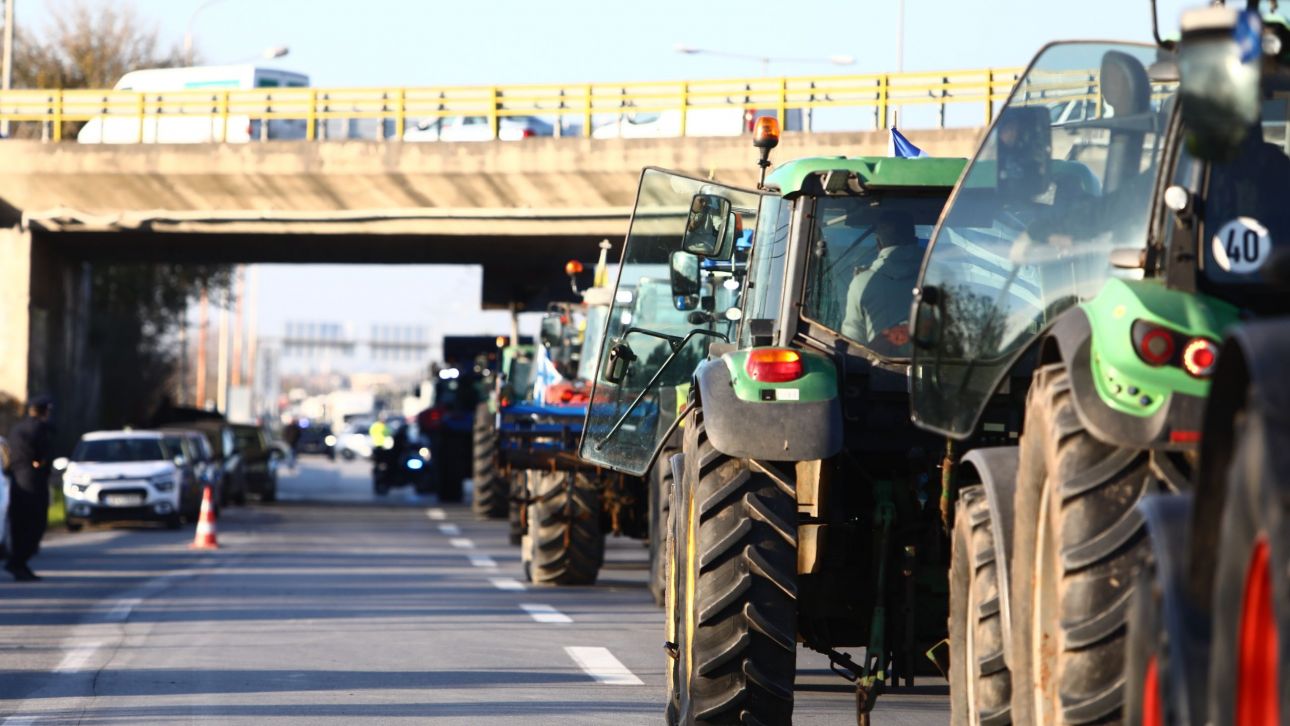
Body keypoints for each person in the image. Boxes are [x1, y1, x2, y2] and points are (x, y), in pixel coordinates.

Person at [841, 211, 924, 349]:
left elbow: (853, 343)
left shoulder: (862, 283)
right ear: (915, 241)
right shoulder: (944, 277)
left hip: (880, 369)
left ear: (878, 244)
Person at [6, 396, 55, 582]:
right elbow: (42, 456)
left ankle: (19, 564)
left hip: (17, 482)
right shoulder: (40, 428)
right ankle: (18, 562)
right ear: (44, 411)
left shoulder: (17, 428)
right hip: (33, 483)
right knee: (36, 525)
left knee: (20, 525)